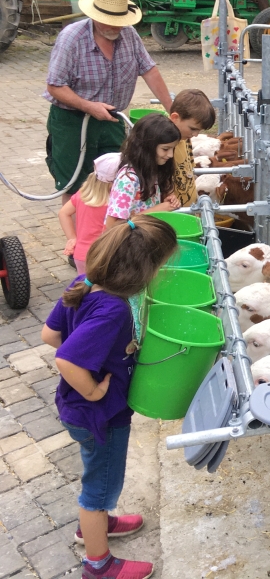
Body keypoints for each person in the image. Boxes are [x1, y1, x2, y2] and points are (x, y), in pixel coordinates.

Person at [40, 216, 178, 579]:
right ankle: (98, 564)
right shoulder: (113, 309)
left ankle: (95, 526)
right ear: (144, 270)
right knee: (98, 490)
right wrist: (93, 388)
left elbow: (49, 335)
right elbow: (66, 358)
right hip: (102, 416)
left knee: (97, 481)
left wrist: (92, 359)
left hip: (78, 409)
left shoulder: (83, 283)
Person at [43, 0, 173, 204]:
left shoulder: (129, 34)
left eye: (119, 21)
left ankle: (108, 223)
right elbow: (55, 86)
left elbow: (149, 70)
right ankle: (77, 225)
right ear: (94, 16)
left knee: (116, 176)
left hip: (112, 118)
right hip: (72, 121)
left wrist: (172, 110)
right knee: (75, 184)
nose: (115, 27)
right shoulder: (71, 39)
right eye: (108, 21)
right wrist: (88, 106)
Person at [105, 114, 181, 229]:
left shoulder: (152, 171)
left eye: (173, 149)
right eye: (165, 149)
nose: (170, 155)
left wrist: (167, 198)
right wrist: (157, 210)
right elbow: (113, 226)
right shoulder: (128, 179)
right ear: (147, 146)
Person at [58, 153, 120, 275]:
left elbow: (63, 213)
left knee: (84, 284)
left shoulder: (83, 194)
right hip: (104, 255)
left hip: (81, 255)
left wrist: (72, 238)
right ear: (113, 182)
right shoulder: (115, 203)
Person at [166, 89, 217, 207]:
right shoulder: (163, 147)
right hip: (173, 213)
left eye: (199, 130)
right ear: (175, 118)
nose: (196, 135)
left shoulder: (185, 140)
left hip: (189, 210)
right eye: (193, 129)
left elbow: (189, 172)